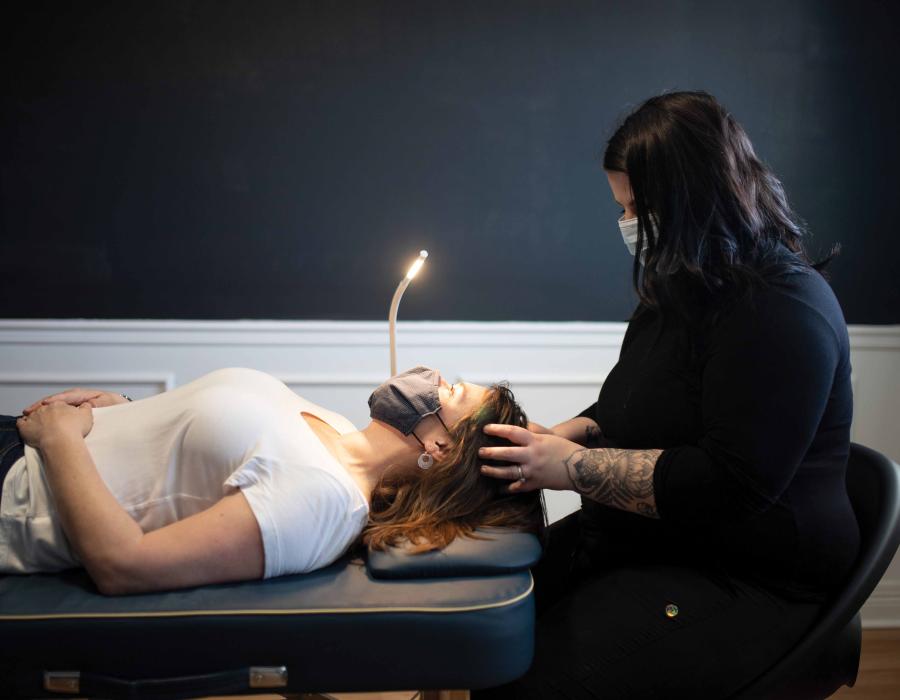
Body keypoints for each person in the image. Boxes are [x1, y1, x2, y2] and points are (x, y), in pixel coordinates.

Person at [473, 90, 860, 698]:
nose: (627, 224)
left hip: (751, 578)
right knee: (483, 628)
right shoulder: (684, 285)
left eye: (638, 208)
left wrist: (570, 468)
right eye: (621, 207)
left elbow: (731, 484)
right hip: (652, 544)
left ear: (695, 199)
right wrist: (567, 434)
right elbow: (637, 404)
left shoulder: (782, 309)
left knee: (529, 682)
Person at [1, 365, 544, 595]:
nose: (431, 377)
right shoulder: (334, 427)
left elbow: (123, 566)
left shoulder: (320, 501)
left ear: (440, 450)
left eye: (448, 391)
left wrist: (61, 440)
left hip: (16, 491)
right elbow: (192, 466)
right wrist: (123, 410)